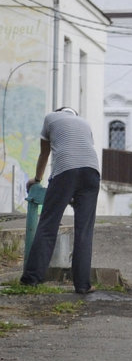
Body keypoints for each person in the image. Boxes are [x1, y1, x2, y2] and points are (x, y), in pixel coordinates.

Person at [20, 106, 102, 294]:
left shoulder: (50, 118)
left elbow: (44, 153)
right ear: (74, 114)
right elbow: (83, 151)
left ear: (59, 111)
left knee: (48, 225)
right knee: (84, 231)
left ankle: (31, 279)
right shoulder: (85, 123)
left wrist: (37, 179)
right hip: (92, 173)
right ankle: (83, 285)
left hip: (65, 171)